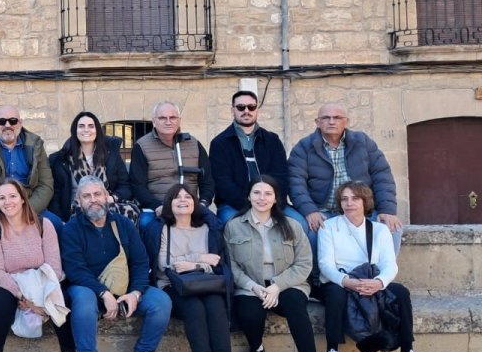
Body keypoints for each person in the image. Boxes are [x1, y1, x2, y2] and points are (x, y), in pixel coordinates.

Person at [59, 176, 173, 352]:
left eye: (97, 194)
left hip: (124, 289)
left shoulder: (123, 224)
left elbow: (140, 262)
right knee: (82, 300)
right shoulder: (71, 229)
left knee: (160, 301)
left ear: (106, 196)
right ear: (79, 201)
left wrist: (136, 293)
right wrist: (102, 293)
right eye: (87, 196)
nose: (93, 200)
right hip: (88, 289)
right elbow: (75, 269)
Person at [317, 181, 432, 352]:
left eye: (355, 198)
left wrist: (379, 282)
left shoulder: (379, 230)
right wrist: (348, 282)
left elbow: (390, 264)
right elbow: (325, 264)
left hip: (371, 280)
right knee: (335, 294)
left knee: (401, 292)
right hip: (340, 280)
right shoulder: (329, 226)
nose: (349, 203)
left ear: (365, 201)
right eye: (344, 199)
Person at [224, 176, 323, 352]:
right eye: (257, 193)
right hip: (251, 285)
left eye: (268, 193)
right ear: (248, 196)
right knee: (249, 312)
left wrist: (277, 286)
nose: (262, 198)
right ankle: (257, 348)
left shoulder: (292, 225)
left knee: (296, 307)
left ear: (276, 197)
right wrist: (253, 286)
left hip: (288, 283)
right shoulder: (233, 226)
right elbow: (231, 266)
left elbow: (304, 263)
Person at [141, 184, 237, 352]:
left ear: (195, 203)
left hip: (205, 282)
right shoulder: (162, 228)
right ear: (169, 203)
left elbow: (216, 262)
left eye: (188, 197)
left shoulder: (206, 228)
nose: (183, 200)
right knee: (194, 307)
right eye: (177, 197)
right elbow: (165, 265)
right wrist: (200, 259)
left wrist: (192, 265)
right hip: (172, 285)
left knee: (215, 304)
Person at [0, 179, 77, 352]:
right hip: (6, 282)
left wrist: (41, 294)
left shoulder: (44, 225)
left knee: (62, 300)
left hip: (40, 278)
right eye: (2, 198)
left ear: (23, 199)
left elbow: (54, 267)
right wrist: (21, 296)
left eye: (13, 196)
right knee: (1, 302)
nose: (8, 202)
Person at [289, 103, 402, 254]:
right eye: (326, 118)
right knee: (314, 234)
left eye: (337, 117)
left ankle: (381, 275)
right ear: (317, 122)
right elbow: (295, 182)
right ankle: (319, 277)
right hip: (324, 212)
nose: (331, 121)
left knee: (392, 229)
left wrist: (387, 210)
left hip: (362, 210)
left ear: (346, 122)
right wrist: (310, 211)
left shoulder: (363, 142)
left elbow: (382, 175)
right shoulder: (303, 147)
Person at [0, 105, 59, 265]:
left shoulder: (35, 145)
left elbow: (46, 184)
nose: (7, 125)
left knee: (56, 225)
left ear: (20, 123)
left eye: (13, 121)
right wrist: (3, 209)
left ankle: (55, 277)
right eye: (2, 121)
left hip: (28, 204)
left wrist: (25, 211)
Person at [209, 91, 304, 226]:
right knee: (232, 228)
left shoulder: (272, 140)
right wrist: (252, 206)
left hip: (272, 204)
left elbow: (281, 178)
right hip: (234, 206)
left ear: (257, 110)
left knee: (302, 225)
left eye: (251, 107)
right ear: (232, 110)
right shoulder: (220, 143)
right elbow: (223, 184)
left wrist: (270, 205)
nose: (246, 111)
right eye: (241, 107)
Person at [129, 101, 214, 228]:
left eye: (172, 117)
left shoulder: (194, 144)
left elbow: (207, 181)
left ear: (179, 120)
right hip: (157, 206)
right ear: (154, 121)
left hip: (189, 206)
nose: (168, 122)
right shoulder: (141, 146)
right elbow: (137, 185)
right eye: (162, 118)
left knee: (215, 225)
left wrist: (203, 203)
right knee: (145, 224)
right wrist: (156, 206)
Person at [48, 110, 137, 222]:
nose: (86, 130)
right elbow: (55, 195)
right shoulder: (60, 159)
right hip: (76, 211)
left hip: (108, 207)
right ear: (75, 130)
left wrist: (112, 198)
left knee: (127, 214)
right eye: (81, 126)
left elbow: (125, 186)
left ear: (97, 130)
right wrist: (60, 220)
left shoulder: (111, 155)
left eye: (91, 126)